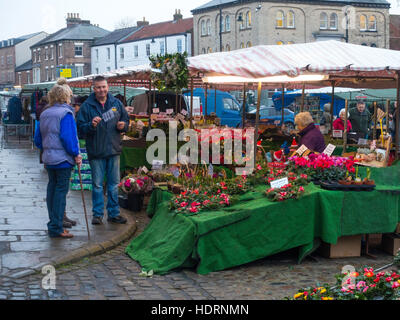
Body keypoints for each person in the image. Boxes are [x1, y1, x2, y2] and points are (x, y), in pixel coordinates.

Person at [77, 76, 129, 225]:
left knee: (114, 184)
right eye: (98, 87)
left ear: (108, 87)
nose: (102, 90)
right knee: (98, 185)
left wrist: (123, 126)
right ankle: (97, 214)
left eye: (104, 87)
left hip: (113, 149)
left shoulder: (116, 103)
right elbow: (80, 129)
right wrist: (91, 125)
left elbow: (126, 120)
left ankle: (113, 213)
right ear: (94, 89)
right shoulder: (87, 106)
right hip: (96, 151)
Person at [34, 78, 82, 239]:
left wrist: (46, 148)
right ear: (66, 96)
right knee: (61, 192)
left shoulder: (45, 113)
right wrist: (76, 154)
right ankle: (56, 227)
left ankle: (53, 224)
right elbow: (69, 138)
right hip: (63, 159)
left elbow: (37, 139)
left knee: (52, 190)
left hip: (49, 158)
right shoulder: (66, 113)